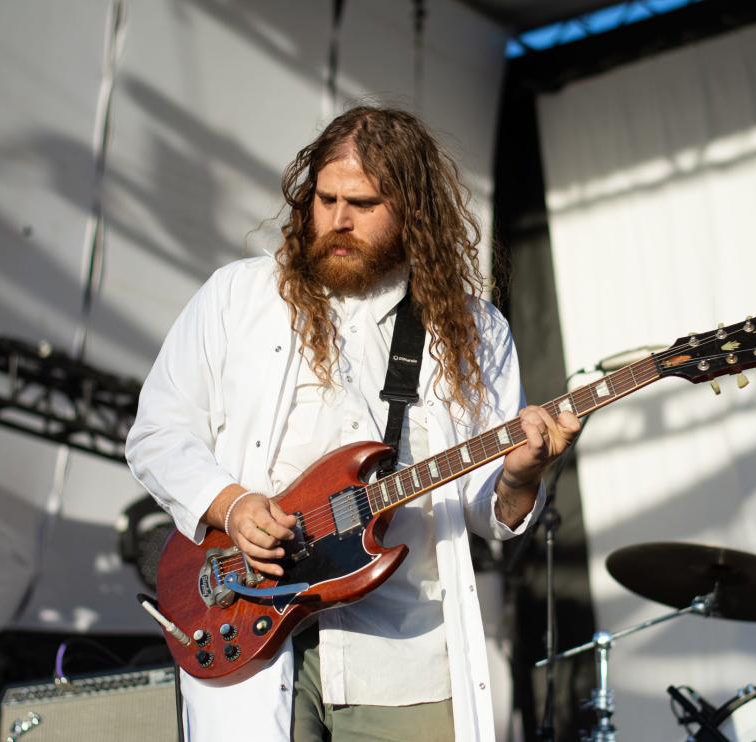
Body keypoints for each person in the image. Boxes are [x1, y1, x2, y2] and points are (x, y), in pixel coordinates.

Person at [125, 105, 580, 741]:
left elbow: (487, 513)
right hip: (252, 634)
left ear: (412, 213)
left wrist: (523, 475)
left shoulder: (474, 331)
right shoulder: (237, 297)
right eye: (325, 198)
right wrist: (230, 505)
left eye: (362, 204)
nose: (337, 221)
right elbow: (157, 433)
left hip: (405, 654)